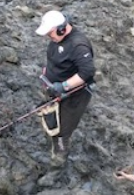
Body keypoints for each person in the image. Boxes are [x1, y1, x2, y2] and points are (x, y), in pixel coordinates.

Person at [35, 10, 95, 167]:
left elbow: (87, 72)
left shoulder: (78, 46)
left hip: (74, 95)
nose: (50, 37)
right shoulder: (57, 39)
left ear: (62, 28)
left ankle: (57, 165)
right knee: (50, 118)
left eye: (51, 33)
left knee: (62, 130)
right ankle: (52, 141)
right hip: (52, 87)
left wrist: (63, 86)